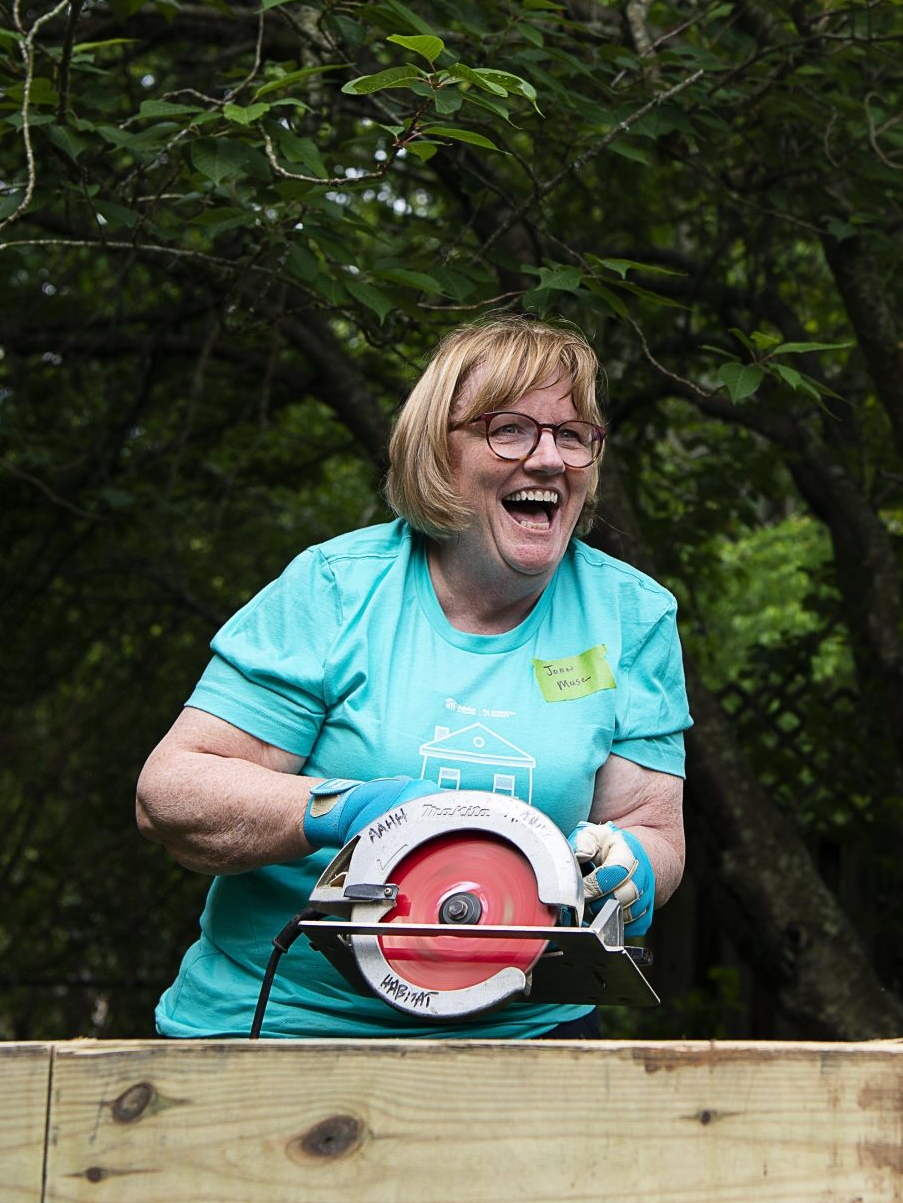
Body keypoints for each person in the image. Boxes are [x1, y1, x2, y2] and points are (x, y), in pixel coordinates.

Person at [136, 314, 690, 1038]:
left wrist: (635, 867)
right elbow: (171, 792)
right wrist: (347, 809)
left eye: (573, 435)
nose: (550, 459)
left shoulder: (630, 615)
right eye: (512, 429)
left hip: (525, 1040)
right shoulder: (337, 590)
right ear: (439, 449)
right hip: (285, 1028)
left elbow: (653, 828)